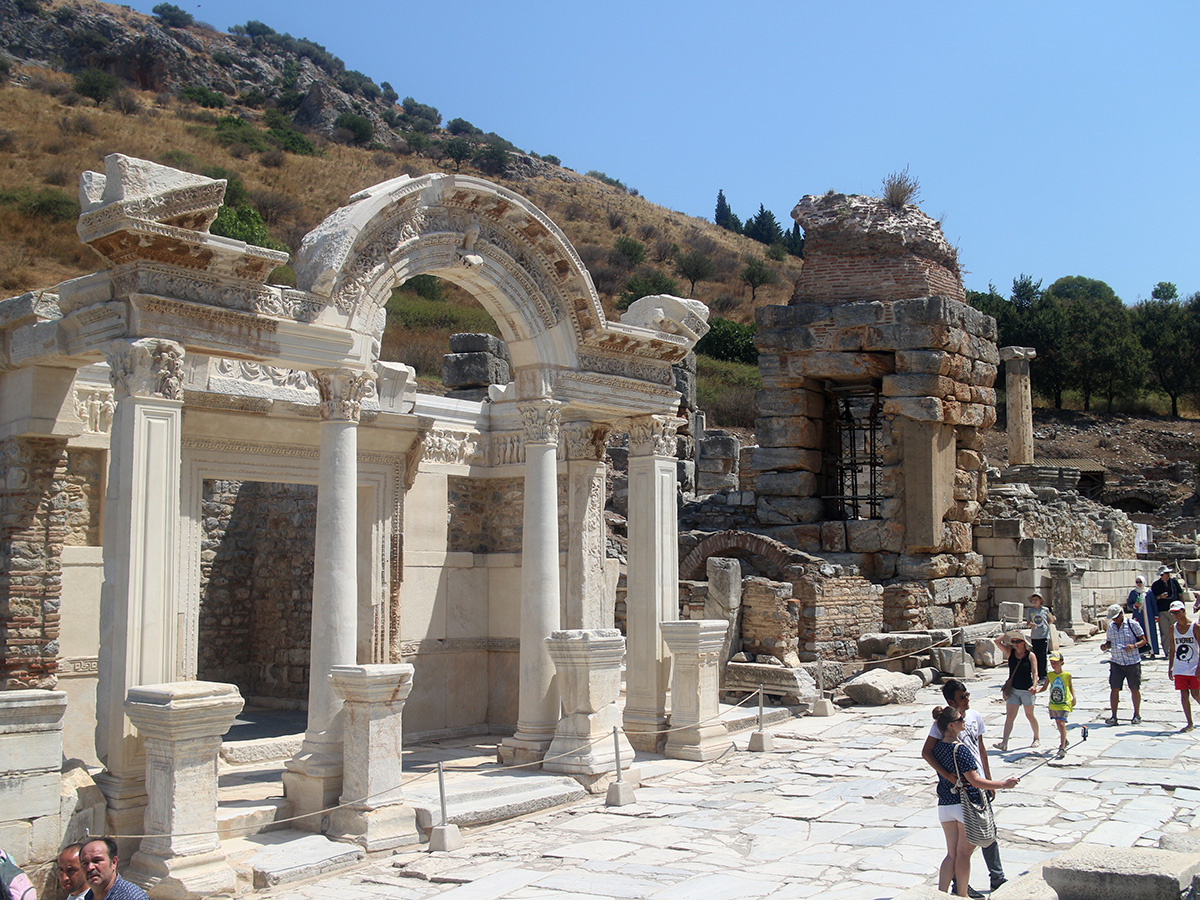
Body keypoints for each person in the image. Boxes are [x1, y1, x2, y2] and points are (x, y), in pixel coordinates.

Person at [921, 679, 1007, 895]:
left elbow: (981, 749)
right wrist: (951, 777)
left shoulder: (974, 717)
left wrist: (988, 778)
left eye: (968, 695)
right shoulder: (945, 730)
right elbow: (927, 752)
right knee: (965, 850)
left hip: (954, 798)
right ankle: (961, 890)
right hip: (966, 793)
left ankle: (993, 877)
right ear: (951, 702)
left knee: (962, 848)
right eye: (962, 697)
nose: (967, 699)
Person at [1101, 603, 1146, 725]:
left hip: (1132, 661)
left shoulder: (1133, 624)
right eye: (1113, 618)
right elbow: (1110, 641)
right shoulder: (1111, 627)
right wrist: (1105, 646)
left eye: (1116, 617)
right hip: (1117, 661)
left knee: (1134, 688)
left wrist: (1133, 646)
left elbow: (1143, 640)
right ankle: (1114, 716)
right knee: (1114, 689)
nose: (1114, 620)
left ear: (1121, 613)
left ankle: (1137, 714)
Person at [994, 632, 1039, 751]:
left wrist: (1034, 686)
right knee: (1010, 717)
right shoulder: (1010, 653)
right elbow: (996, 641)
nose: (1015, 644)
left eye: (1018, 641)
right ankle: (1004, 743)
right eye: (1013, 642)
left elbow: (1035, 673)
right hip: (1013, 689)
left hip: (1027, 690)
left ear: (1024, 642)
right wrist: (1007, 634)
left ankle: (1036, 737)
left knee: (1029, 715)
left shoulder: (1030, 655)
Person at [1166, 599, 1200, 733]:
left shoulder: (1195, 627)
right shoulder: (1172, 628)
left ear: (1183, 611)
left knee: (1196, 694)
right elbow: (1173, 649)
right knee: (1183, 694)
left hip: (1194, 665)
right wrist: (1171, 667)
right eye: (1173, 613)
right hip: (1180, 666)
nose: (1175, 615)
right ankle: (1189, 722)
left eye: (1176, 612)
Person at [79, 837, 148, 900]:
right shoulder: (88, 897)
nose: (90, 867)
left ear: (114, 862)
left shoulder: (132, 897)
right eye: (85, 863)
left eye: (96, 861)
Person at [1044, 652, 1076, 758]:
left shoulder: (1067, 675)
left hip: (1064, 702)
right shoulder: (1050, 675)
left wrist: (1074, 697)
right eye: (1052, 663)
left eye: (1055, 663)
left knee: (1062, 723)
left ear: (1061, 663)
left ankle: (1062, 747)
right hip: (1054, 703)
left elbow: (1070, 686)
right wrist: (1035, 690)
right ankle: (1064, 739)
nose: (1053, 665)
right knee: (1058, 722)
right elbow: (1045, 687)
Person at [1149, 565, 1182, 659]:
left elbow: (1180, 594)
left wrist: (1182, 608)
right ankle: (1168, 652)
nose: (1167, 575)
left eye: (1167, 573)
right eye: (1164, 574)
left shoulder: (1174, 583)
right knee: (1165, 632)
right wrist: (1160, 597)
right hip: (1162, 611)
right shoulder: (1156, 585)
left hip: (1175, 611)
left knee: (1176, 631)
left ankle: (1177, 650)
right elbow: (1152, 598)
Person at [1026, 593, 1055, 685]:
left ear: (1040, 601)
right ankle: (1036, 674)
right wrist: (1030, 625)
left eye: (1036, 600)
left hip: (1043, 635)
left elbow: (1052, 619)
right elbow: (1027, 623)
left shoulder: (1045, 610)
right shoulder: (1030, 610)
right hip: (1035, 636)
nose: (1035, 601)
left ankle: (1043, 676)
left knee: (1042, 656)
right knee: (1036, 656)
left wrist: (1047, 624)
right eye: (1033, 600)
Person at [1128, 576, 1154, 658]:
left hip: (1148, 615)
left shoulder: (1148, 592)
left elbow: (1153, 604)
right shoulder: (1133, 593)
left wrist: (1156, 615)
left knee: (1150, 633)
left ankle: (1152, 651)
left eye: (1140, 582)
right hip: (1138, 616)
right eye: (1137, 582)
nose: (1139, 584)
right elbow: (1129, 604)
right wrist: (1135, 606)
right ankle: (1142, 651)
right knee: (1139, 633)